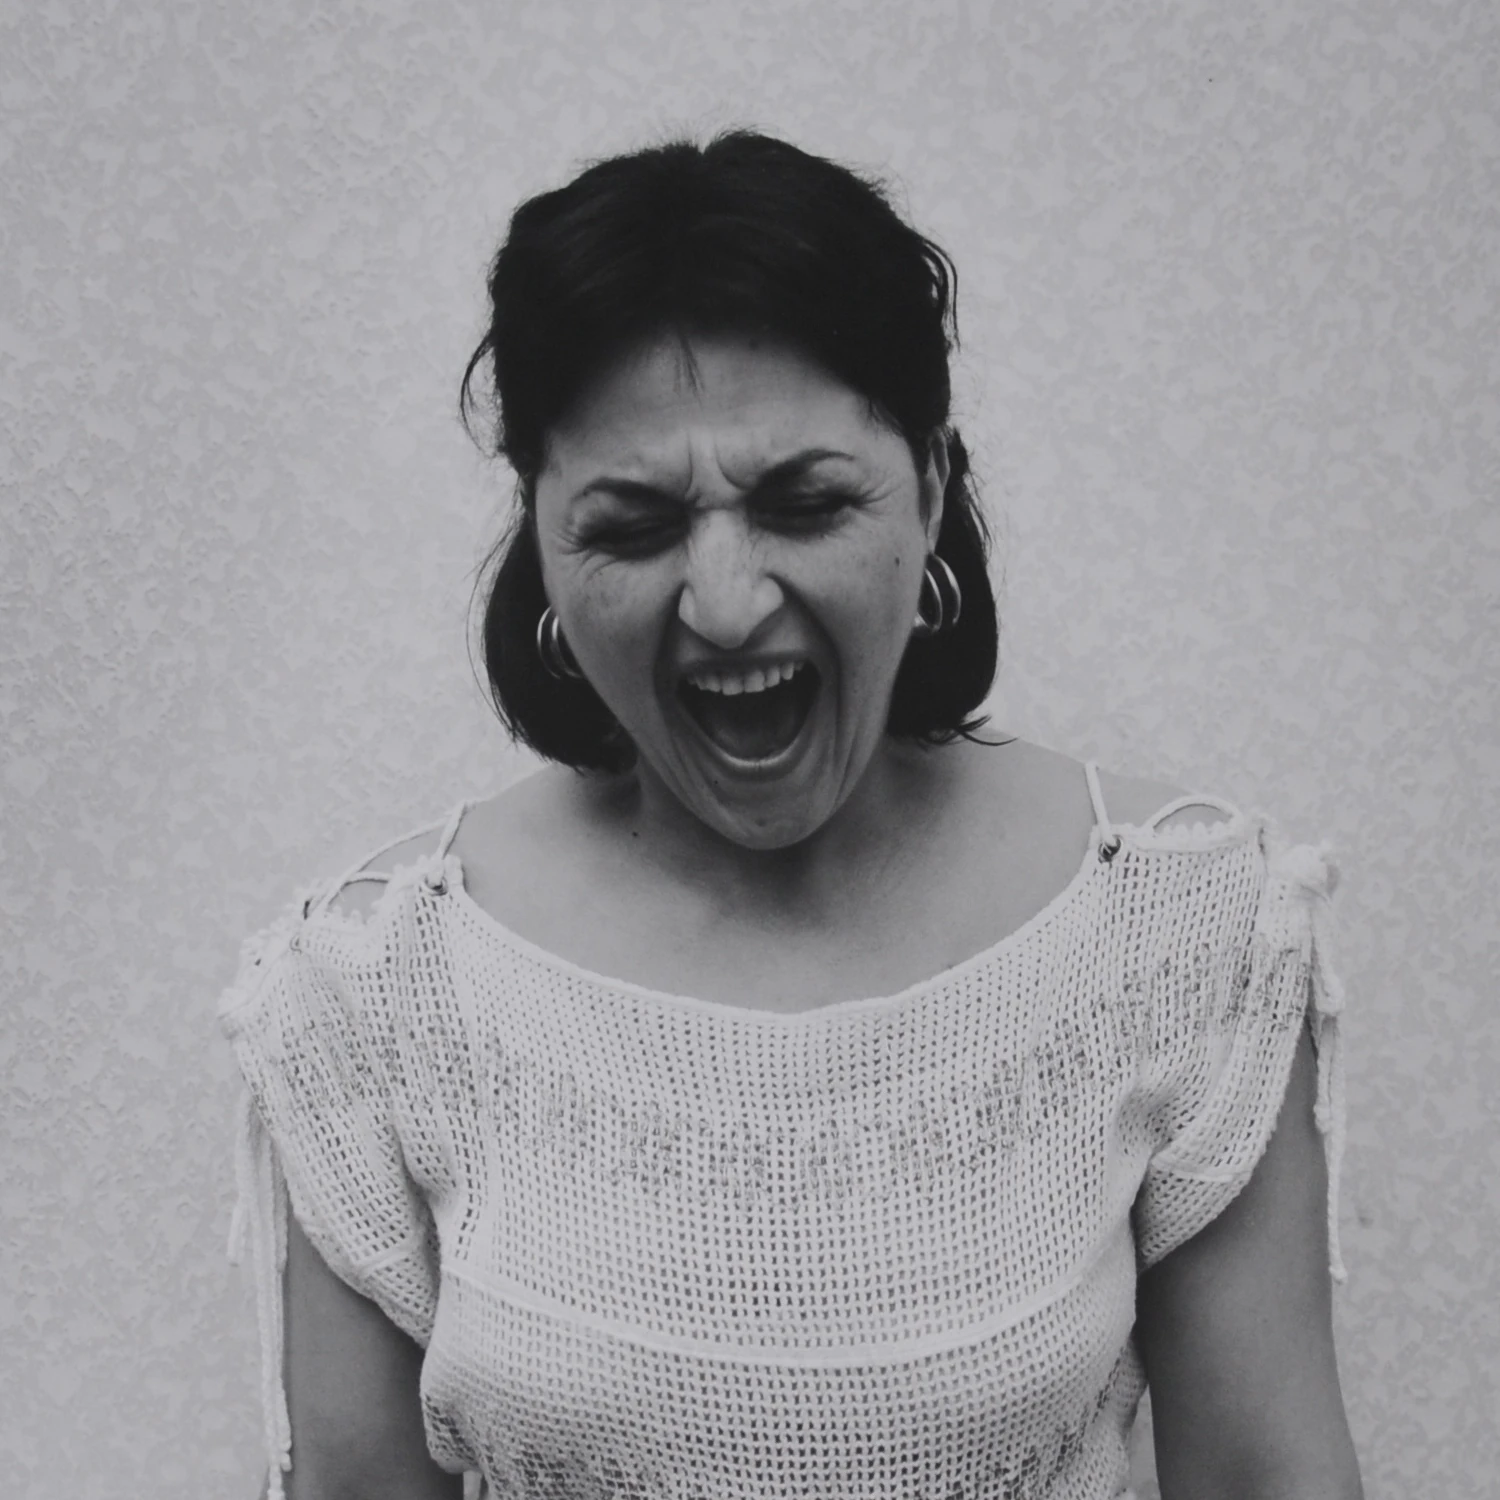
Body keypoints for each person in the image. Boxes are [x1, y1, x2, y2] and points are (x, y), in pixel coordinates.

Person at [219, 131, 1362, 1500]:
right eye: (633, 525)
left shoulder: (1180, 934)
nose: (725, 602)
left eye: (804, 503)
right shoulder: (373, 993)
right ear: (543, 545)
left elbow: (1266, 1473)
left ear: (929, 489)